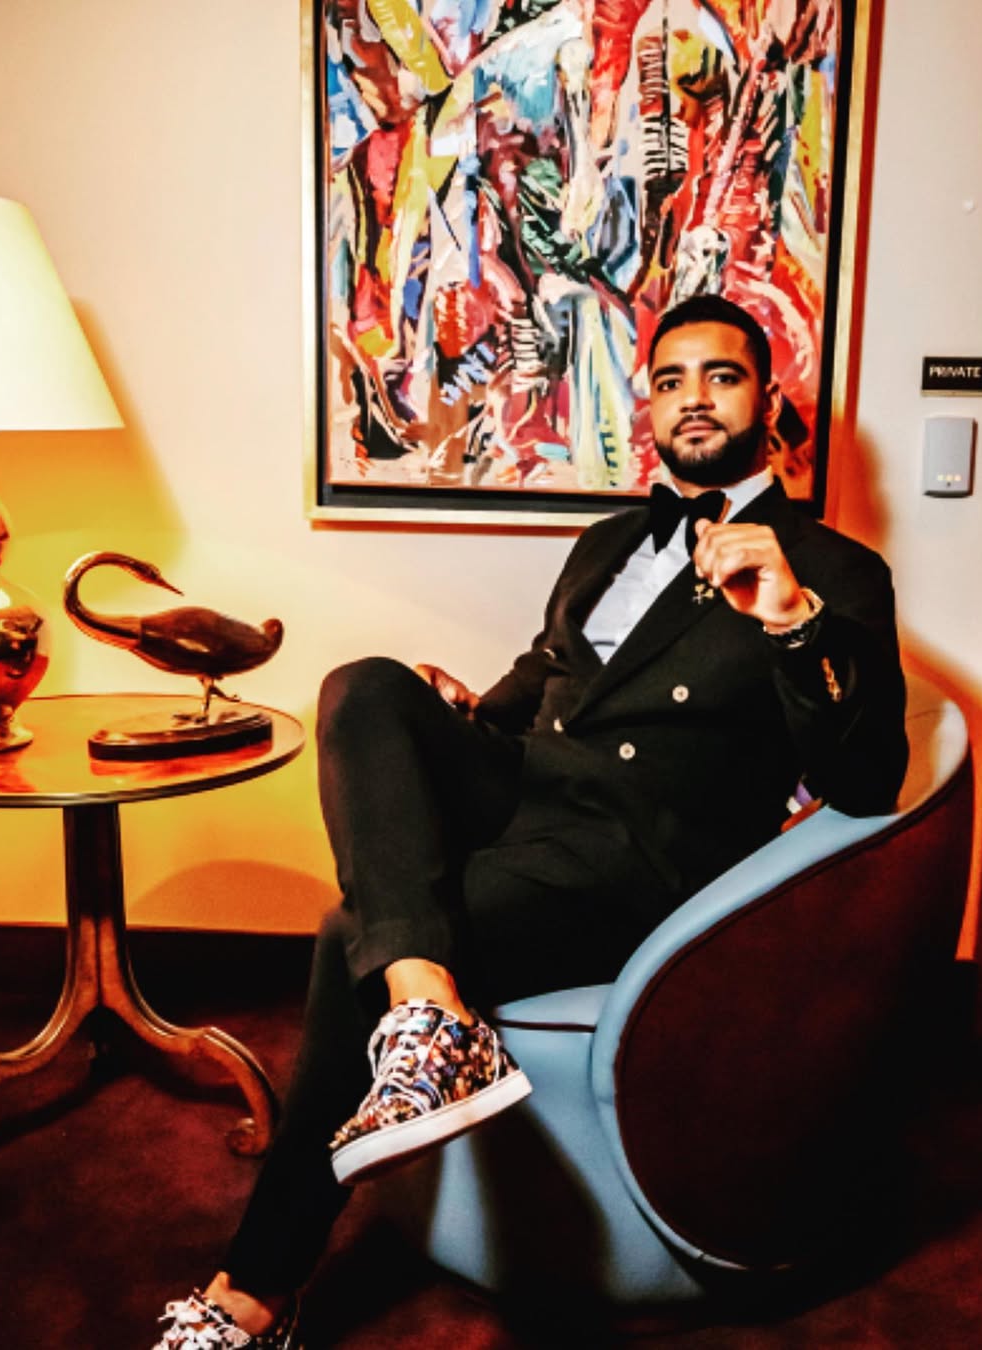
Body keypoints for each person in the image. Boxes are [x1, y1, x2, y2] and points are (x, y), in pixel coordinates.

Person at [152, 295, 908, 1348]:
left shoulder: (833, 570)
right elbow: (541, 683)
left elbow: (869, 780)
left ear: (768, 402)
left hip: (638, 856)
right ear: (650, 405)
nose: (693, 399)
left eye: (722, 376)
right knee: (365, 685)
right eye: (671, 380)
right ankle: (430, 1014)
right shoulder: (605, 542)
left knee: (349, 932)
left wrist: (792, 620)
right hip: (536, 796)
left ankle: (255, 1289)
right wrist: (452, 718)